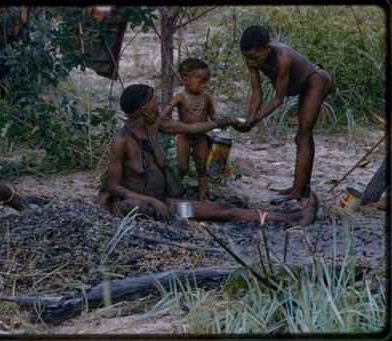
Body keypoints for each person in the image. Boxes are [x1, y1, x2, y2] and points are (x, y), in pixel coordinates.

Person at [96, 84, 318, 225]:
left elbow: (191, 129)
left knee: (222, 210)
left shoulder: (153, 126)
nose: (160, 109)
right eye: (155, 106)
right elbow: (114, 187)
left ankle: (293, 218)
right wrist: (152, 202)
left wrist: (221, 122)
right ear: (143, 110)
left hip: (166, 204)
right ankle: (154, 217)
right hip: (145, 205)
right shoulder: (121, 141)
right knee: (137, 207)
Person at [237, 25, 332, 204]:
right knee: (303, 137)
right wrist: (249, 118)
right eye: (248, 57)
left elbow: (278, 100)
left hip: (316, 80)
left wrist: (255, 120)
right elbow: (257, 92)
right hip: (303, 86)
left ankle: (297, 190)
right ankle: (302, 187)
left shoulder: (282, 58)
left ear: (267, 47)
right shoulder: (251, 59)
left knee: (303, 135)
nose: (252, 62)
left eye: (256, 57)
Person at [160, 58, 219, 201]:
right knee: (182, 167)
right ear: (186, 80)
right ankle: (173, 192)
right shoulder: (180, 98)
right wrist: (163, 117)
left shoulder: (206, 98)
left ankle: (203, 198)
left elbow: (214, 116)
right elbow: (166, 110)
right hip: (184, 137)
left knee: (201, 168)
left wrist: (223, 122)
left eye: (206, 81)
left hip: (201, 139)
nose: (204, 85)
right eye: (201, 81)